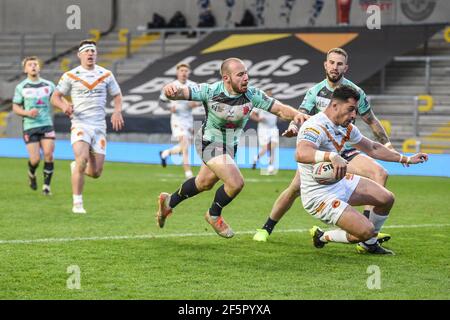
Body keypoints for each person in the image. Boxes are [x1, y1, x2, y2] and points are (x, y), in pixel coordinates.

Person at [253, 47, 397, 242]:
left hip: (346, 148)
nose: (334, 67)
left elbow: (371, 120)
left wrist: (387, 144)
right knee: (295, 189)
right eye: (331, 63)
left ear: (345, 67)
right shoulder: (315, 92)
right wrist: (294, 127)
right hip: (320, 152)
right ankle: (267, 227)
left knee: (380, 173)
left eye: (339, 64)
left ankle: (365, 234)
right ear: (325, 65)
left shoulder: (355, 92)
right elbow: (300, 115)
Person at [156, 58, 309, 238]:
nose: (246, 78)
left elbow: (280, 110)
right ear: (226, 78)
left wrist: (299, 115)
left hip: (229, 146)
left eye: (246, 73)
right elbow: (180, 93)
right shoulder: (210, 90)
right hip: (209, 142)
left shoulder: (252, 95)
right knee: (236, 183)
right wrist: (170, 91)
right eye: (240, 75)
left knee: (204, 183)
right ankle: (213, 215)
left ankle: (168, 203)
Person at [296, 85, 427, 254]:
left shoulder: (346, 127)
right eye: (350, 109)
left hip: (339, 181)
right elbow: (301, 153)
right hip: (318, 195)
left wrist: (406, 158)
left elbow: (372, 147)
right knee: (366, 231)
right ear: (334, 105)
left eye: (355, 110)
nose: (353, 115)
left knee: (386, 198)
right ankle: (323, 236)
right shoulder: (314, 126)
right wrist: (331, 156)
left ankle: (369, 244)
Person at [51, 40, 124, 214]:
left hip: (99, 126)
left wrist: (117, 112)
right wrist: (64, 106)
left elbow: (117, 95)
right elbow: (55, 96)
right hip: (80, 124)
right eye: (87, 51)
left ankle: (76, 167)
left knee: (96, 172)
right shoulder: (71, 75)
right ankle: (78, 203)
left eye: (93, 51)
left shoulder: (105, 74)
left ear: (96, 54)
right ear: (80, 55)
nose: (90, 53)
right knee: (82, 159)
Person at [12, 56, 56, 195]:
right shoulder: (21, 87)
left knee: (49, 154)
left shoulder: (49, 85)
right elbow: (15, 107)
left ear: (39, 67)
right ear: (25, 69)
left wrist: (67, 106)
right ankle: (31, 173)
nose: (33, 66)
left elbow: (57, 99)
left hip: (46, 124)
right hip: (30, 126)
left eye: (35, 64)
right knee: (35, 159)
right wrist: (27, 112)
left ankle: (46, 187)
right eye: (30, 65)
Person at [159, 63, 199, 179]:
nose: (184, 73)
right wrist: (168, 108)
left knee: (184, 146)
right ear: (177, 73)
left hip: (188, 119)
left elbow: (202, 100)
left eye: (186, 71)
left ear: (189, 73)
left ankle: (165, 153)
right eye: (181, 70)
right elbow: (161, 102)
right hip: (177, 120)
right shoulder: (171, 86)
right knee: (185, 146)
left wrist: (196, 103)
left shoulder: (193, 86)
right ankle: (189, 174)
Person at [250, 90, 279, 174]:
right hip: (263, 129)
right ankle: (256, 158)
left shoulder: (275, 103)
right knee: (266, 147)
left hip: (273, 128)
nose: (269, 97)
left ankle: (270, 166)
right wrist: (259, 119)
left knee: (273, 146)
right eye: (268, 95)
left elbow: (280, 112)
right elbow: (252, 114)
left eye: (271, 95)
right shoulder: (260, 104)